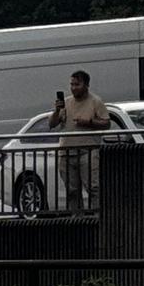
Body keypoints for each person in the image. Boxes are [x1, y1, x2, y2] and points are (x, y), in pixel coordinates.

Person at [46, 68, 115, 212]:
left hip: (88, 151)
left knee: (94, 187)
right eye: (71, 84)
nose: (73, 88)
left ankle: (98, 218)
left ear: (86, 85)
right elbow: (52, 124)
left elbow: (107, 123)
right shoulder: (65, 103)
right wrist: (57, 111)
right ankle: (77, 219)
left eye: (77, 84)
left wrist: (89, 122)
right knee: (72, 190)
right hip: (66, 152)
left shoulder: (95, 101)